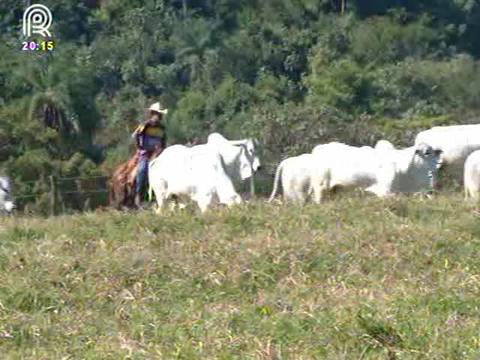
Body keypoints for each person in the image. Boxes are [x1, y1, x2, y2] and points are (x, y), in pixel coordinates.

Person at [132, 102, 168, 207]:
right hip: (146, 153)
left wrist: (162, 150)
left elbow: (164, 141)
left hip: (158, 154)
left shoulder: (162, 128)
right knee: (143, 169)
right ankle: (138, 194)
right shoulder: (145, 125)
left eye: (159, 114)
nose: (158, 116)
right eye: (156, 113)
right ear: (152, 113)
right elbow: (136, 136)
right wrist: (140, 148)